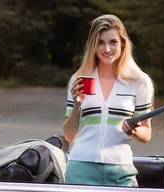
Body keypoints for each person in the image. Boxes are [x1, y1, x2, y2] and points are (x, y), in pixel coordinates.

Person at [62, 14, 155, 187]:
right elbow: (69, 135)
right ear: (92, 46)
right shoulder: (79, 79)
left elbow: (146, 134)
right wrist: (77, 105)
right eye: (100, 42)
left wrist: (133, 130)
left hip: (121, 172)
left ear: (123, 44)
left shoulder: (139, 82)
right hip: (80, 169)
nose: (106, 49)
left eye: (113, 42)